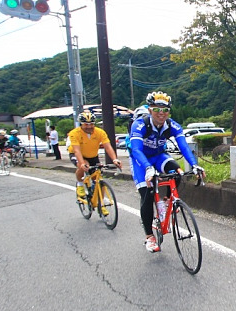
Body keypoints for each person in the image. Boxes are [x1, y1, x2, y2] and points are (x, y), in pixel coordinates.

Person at [129, 91, 205, 253]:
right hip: (140, 161)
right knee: (147, 194)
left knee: (177, 172)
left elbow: (184, 146)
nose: (161, 113)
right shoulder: (140, 125)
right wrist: (148, 169)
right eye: (157, 109)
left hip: (158, 156)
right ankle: (149, 236)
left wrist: (194, 165)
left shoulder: (172, 125)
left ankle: (166, 201)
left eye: (165, 110)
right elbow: (136, 150)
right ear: (150, 110)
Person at [67, 112, 123, 200]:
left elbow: (108, 147)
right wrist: (82, 163)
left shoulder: (100, 132)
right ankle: (80, 184)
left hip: (92, 155)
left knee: (97, 178)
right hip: (78, 154)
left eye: (91, 124)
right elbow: (77, 150)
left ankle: (101, 203)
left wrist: (115, 159)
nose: (89, 126)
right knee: (83, 166)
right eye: (86, 124)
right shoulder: (74, 133)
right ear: (81, 124)